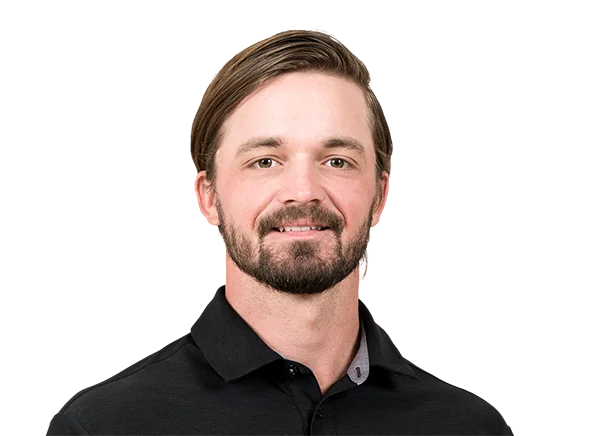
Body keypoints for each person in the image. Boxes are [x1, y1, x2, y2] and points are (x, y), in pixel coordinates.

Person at [47, 29, 514, 435]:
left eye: (337, 161)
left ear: (380, 194)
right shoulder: (104, 426)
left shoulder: (471, 428)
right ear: (208, 196)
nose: (303, 191)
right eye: (265, 161)